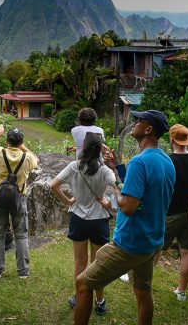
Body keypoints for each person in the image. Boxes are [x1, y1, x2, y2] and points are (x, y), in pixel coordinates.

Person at [74, 110, 175, 325]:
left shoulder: (139, 162)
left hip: (130, 243)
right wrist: (118, 167)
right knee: (142, 292)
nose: (134, 123)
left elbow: (128, 206)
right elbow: (143, 191)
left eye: (139, 121)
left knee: (83, 284)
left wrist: (116, 191)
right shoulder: (166, 160)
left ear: (148, 129)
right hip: (152, 242)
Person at [50, 132, 116, 316]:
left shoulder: (74, 166)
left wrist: (68, 201)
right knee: (98, 264)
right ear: (100, 149)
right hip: (99, 219)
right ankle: (100, 301)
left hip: (78, 218)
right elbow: (120, 188)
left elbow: (53, 185)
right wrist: (110, 203)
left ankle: (80, 296)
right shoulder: (105, 170)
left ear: (84, 147)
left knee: (80, 262)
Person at [0, 125, 39, 278]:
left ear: (7, 141)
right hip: (19, 199)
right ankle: (22, 271)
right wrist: (22, 146)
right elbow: (37, 159)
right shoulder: (27, 158)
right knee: (21, 235)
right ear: (21, 141)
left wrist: (0, 132)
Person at [161, 124, 188, 301]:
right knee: (187, 252)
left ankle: (141, 280)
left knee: (153, 249)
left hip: (168, 213)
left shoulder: (167, 161)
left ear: (172, 139)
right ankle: (181, 292)